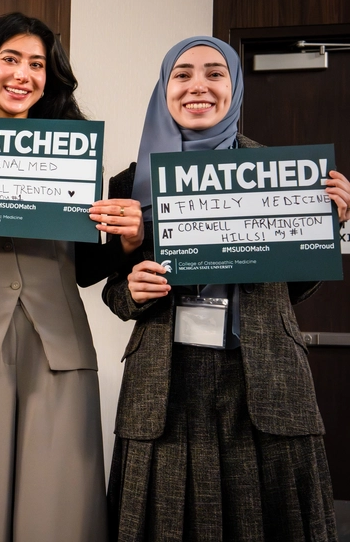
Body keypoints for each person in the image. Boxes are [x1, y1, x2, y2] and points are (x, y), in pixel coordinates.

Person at [104, 35, 348, 541]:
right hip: (165, 386)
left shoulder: (282, 175)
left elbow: (292, 287)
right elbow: (114, 292)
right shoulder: (129, 184)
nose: (199, 86)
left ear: (234, 87)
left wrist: (327, 225)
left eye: (215, 73)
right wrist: (133, 284)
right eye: (183, 74)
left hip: (263, 379)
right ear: (164, 88)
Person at [0, 13, 143, 542]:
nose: (23, 75)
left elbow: (86, 270)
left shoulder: (74, 154)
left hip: (59, 348)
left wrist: (124, 242)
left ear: (50, 76)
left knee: (60, 514)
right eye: (10, 60)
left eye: (37, 64)